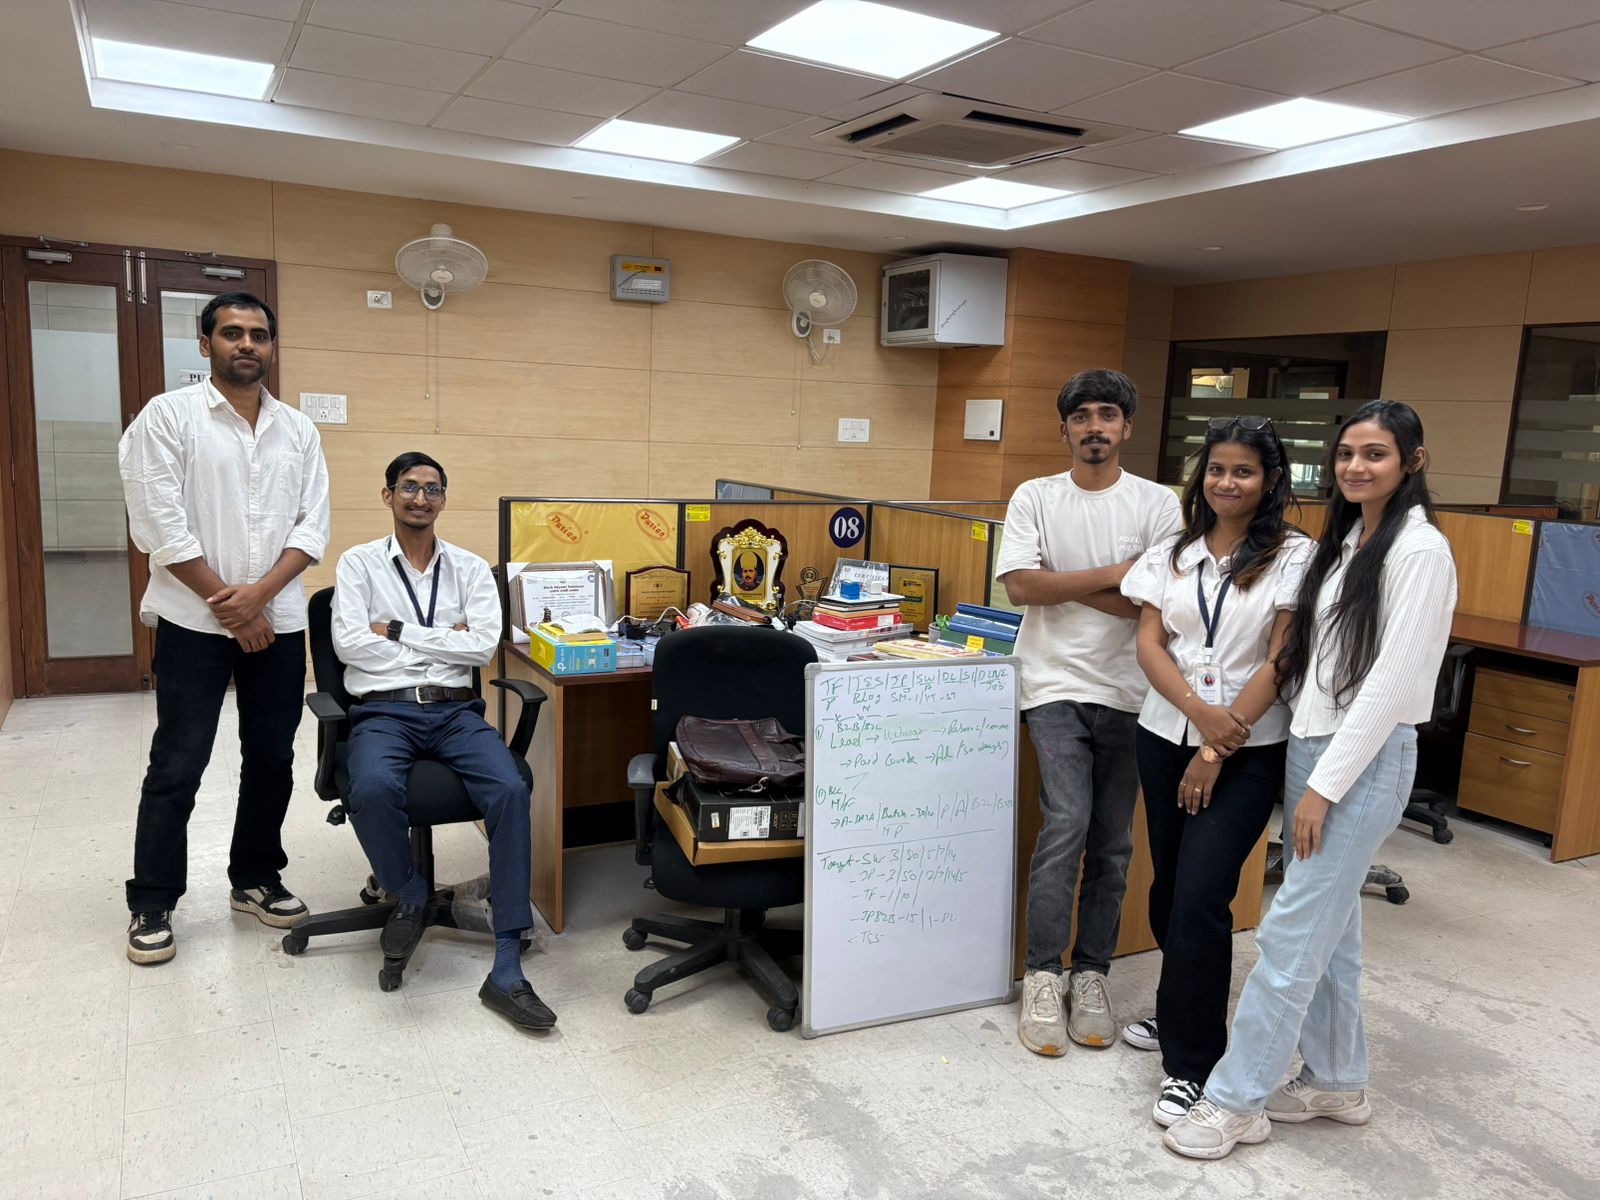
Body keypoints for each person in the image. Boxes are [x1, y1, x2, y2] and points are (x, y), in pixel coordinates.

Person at [1165, 400, 1457, 1160]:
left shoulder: (1419, 550)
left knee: (1290, 933)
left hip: (1358, 760)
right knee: (1335, 927)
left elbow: (1390, 683)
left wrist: (1325, 787)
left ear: (1413, 462)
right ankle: (1337, 1079)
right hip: (1311, 745)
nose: (1356, 467)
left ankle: (1236, 1099)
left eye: (1376, 454)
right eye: (1347, 454)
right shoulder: (1353, 538)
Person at [120, 292, 330, 965]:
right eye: (233, 333)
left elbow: (312, 527)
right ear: (205, 341)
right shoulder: (167, 417)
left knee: (272, 757)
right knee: (179, 761)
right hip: (191, 619)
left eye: (259, 335)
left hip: (279, 620)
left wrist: (259, 597)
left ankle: (255, 878)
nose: (247, 344)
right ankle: (153, 899)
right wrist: (228, 604)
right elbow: (158, 523)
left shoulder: (298, 430)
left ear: (272, 346)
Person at [1118, 416, 1312, 1127]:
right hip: (1165, 732)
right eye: (1217, 470)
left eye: (1244, 471)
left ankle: (1193, 1064)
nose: (1227, 483)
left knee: (1202, 894)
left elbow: (1282, 657)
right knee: (1170, 886)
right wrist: (1198, 714)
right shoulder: (1173, 552)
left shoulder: (1294, 555)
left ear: (1270, 480)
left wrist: (1214, 747)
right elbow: (1150, 643)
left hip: (1246, 748)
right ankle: (1178, 1011)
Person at [331, 451, 555, 1030]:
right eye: (409, 487)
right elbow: (351, 645)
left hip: (456, 712)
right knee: (372, 787)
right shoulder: (358, 564)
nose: (420, 498)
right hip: (384, 710)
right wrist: (442, 639)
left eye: (432, 489)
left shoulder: (471, 569)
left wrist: (397, 632)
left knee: (510, 788)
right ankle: (407, 889)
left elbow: (480, 647)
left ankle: (507, 965)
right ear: (388, 496)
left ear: (444, 500)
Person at [994, 368, 1182, 1056]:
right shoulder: (1036, 496)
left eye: (1107, 414)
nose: (1094, 427)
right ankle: (1044, 974)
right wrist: (1115, 573)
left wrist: (1061, 582)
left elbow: (1157, 604)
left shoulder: (1159, 505)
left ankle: (1092, 974)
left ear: (1126, 426)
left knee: (1112, 841)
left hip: (1134, 692)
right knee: (1066, 824)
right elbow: (1020, 587)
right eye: (1081, 416)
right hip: (1052, 686)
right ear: (1065, 429)